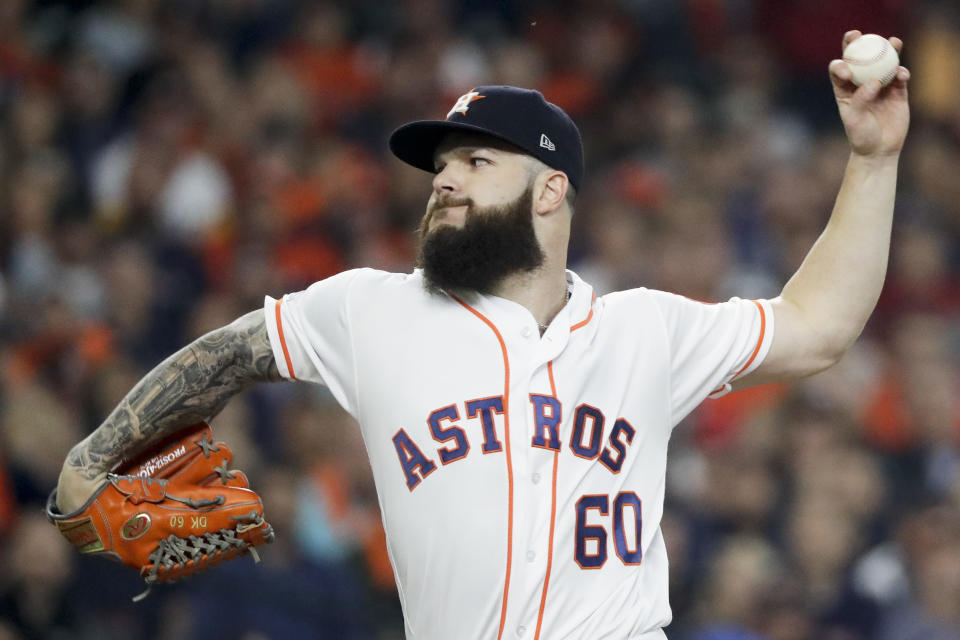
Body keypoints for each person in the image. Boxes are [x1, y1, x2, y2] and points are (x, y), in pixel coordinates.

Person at [53, 31, 910, 640]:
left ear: (549, 193)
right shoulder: (372, 310)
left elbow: (818, 328)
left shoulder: (644, 328)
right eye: (441, 168)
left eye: (475, 162)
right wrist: (98, 451)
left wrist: (873, 160)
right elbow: (231, 353)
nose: (446, 183)